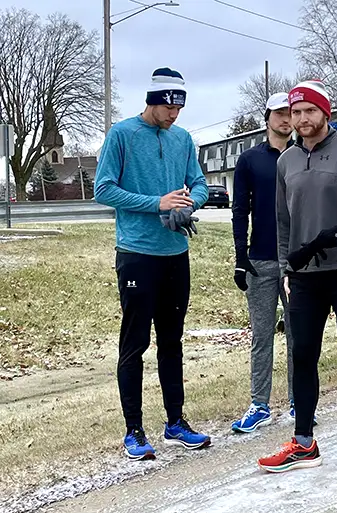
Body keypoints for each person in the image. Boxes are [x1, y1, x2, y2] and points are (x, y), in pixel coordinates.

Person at [258, 80, 337, 473]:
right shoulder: (286, 162)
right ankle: (303, 442)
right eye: (295, 112)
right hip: (304, 275)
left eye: (309, 110)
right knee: (303, 355)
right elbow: (282, 220)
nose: (302, 119)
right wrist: (284, 267)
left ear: (325, 113)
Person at [94, 67, 211, 460]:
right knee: (135, 343)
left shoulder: (182, 139)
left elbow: (199, 183)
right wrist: (156, 203)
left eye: (179, 107)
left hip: (175, 254)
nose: (173, 115)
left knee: (172, 342)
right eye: (167, 106)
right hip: (137, 254)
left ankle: (175, 422)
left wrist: (188, 204)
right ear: (152, 99)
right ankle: (134, 430)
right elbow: (103, 189)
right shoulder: (122, 135)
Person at [230, 93, 297, 433]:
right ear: (268, 117)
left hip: (298, 261)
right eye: (280, 113)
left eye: (291, 113)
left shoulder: (304, 155)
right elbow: (240, 209)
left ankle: (300, 400)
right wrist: (240, 257)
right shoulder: (250, 160)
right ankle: (259, 404)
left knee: (298, 334)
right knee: (262, 334)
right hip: (261, 260)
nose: (287, 119)